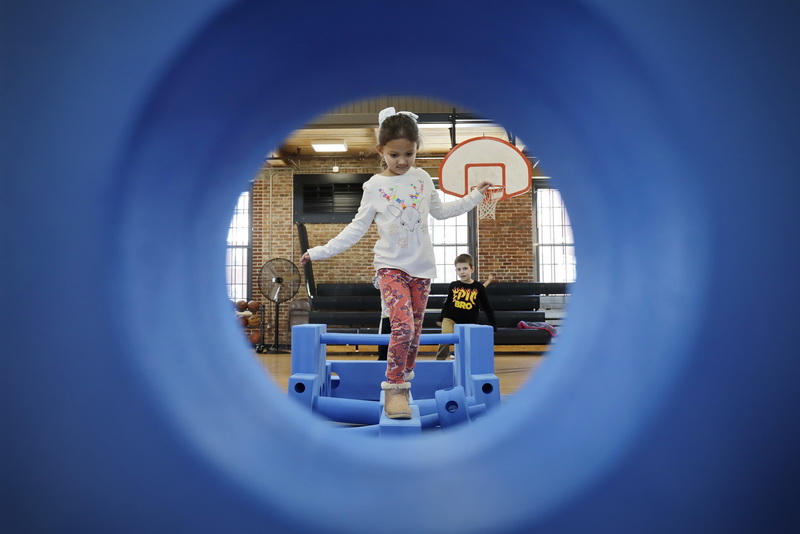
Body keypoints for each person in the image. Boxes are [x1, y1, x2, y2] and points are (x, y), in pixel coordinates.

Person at [300, 107, 492, 419]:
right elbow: (356, 229)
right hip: (390, 267)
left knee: (414, 333)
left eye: (409, 153)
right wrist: (320, 251)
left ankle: (405, 383)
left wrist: (473, 197)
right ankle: (393, 389)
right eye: (394, 154)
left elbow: (441, 212)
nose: (402, 161)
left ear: (417, 150)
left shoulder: (422, 179)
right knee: (402, 326)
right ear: (381, 151)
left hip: (422, 268)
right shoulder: (374, 186)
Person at [435, 254, 496, 360]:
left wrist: (493, 324)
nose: (462, 272)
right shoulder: (453, 285)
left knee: (466, 345)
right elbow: (448, 302)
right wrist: (440, 318)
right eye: (459, 269)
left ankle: (464, 363)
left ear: (472, 269)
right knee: (445, 339)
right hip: (450, 318)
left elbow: (487, 306)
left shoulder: (478, 287)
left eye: (465, 268)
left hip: (468, 320)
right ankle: (440, 361)